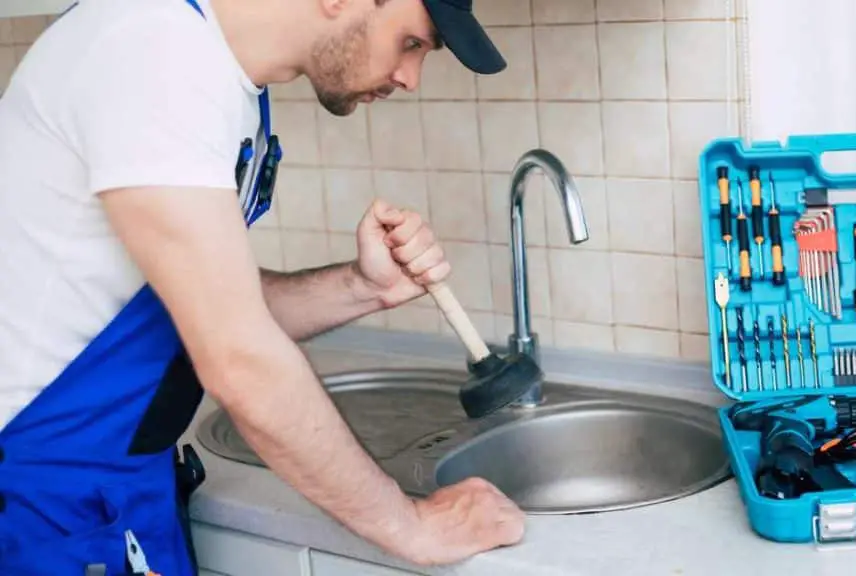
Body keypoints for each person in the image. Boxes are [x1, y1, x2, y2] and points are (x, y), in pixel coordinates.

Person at [0, 0, 526, 573]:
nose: (411, 77)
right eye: (412, 42)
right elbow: (239, 360)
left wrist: (362, 287)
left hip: (118, 485)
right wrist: (414, 526)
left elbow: (201, 305)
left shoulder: (227, 81)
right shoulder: (153, 53)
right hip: (38, 503)